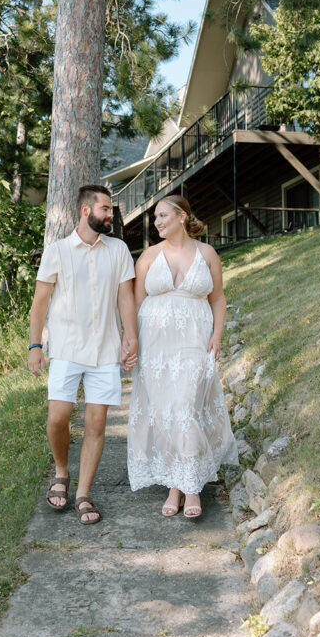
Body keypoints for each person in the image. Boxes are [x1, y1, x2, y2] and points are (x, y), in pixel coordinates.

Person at [28, 184, 138, 524]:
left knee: (96, 423)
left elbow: (124, 298)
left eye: (110, 208)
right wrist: (35, 346)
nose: (111, 214)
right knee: (58, 417)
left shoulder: (118, 250)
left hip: (105, 350)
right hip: (66, 348)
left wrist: (130, 336)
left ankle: (83, 493)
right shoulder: (57, 251)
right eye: (105, 208)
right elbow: (40, 303)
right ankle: (61, 471)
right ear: (86, 210)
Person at [127, 194, 238, 518]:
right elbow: (136, 303)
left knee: (187, 407)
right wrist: (131, 343)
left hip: (194, 341)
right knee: (164, 414)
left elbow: (217, 299)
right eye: (155, 218)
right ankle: (176, 485)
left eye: (162, 216)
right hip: (156, 346)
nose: (157, 222)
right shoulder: (148, 256)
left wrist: (217, 336)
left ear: (181, 217)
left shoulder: (207, 253)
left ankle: (191, 489)